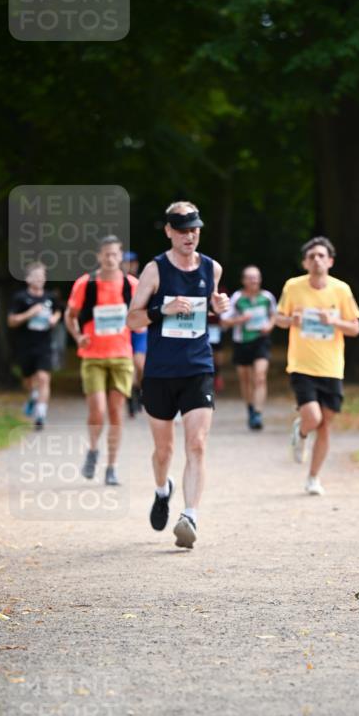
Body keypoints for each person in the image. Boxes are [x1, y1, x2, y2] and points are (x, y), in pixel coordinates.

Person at [126, 201, 230, 549]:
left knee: (197, 444)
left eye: (195, 228)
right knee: (163, 450)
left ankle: (190, 516)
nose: (190, 235)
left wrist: (219, 310)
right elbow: (133, 319)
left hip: (198, 366)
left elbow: (212, 310)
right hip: (160, 371)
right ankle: (162, 490)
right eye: (183, 229)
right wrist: (162, 309)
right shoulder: (155, 271)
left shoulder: (212, 268)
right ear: (169, 231)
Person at [275, 237, 359, 495]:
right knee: (313, 417)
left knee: (325, 424)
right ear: (305, 262)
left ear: (330, 261)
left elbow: (355, 328)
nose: (316, 260)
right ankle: (301, 433)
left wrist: (334, 321)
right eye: (311, 256)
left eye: (321, 256)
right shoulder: (293, 287)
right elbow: (278, 319)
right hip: (302, 364)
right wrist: (292, 319)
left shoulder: (341, 290)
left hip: (332, 367)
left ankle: (313, 478)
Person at [65, 236, 139, 485]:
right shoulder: (86, 284)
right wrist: (78, 336)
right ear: (98, 256)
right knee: (97, 410)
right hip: (93, 355)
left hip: (121, 355)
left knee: (116, 412)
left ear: (121, 256)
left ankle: (112, 466)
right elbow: (70, 315)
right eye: (106, 254)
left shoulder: (132, 285)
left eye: (115, 254)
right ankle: (93, 449)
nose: (110, 259)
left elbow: (143, 316)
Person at [221, 265, 277, 429]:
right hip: (241, 342)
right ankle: (250, 409)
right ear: (244, 280)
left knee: (259, 376)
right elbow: (225, 320)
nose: (254, 280)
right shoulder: (237, 298)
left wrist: (270, 326)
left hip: (261, 340)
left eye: (256, 277)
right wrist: (240, 320)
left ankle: (258, 414)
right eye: (250, 277)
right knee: (245, 379)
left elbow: (274, 315)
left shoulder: (267, 297)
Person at [7, 261, 62, 429]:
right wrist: (29, 314)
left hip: (44, 344)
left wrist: (54, 319)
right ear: (28, 279)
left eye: (42, 276)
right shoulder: (20, 298)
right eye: (36, 276)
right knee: (28, 379)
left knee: (44, 378)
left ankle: (40, 415)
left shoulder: (50, 297)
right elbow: (11, 321)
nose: (39, 279)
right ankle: (33, 396)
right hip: (25, 345)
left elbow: (58, 311)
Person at [122, 252, 146, 417]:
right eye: (126, 262)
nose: (129, 265)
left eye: (132, 262)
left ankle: (139, 390)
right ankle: (131, 399)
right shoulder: (118, 283)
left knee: (140, 365)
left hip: (140, 329)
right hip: (124, 329)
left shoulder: (143, 281)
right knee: (129, 367)